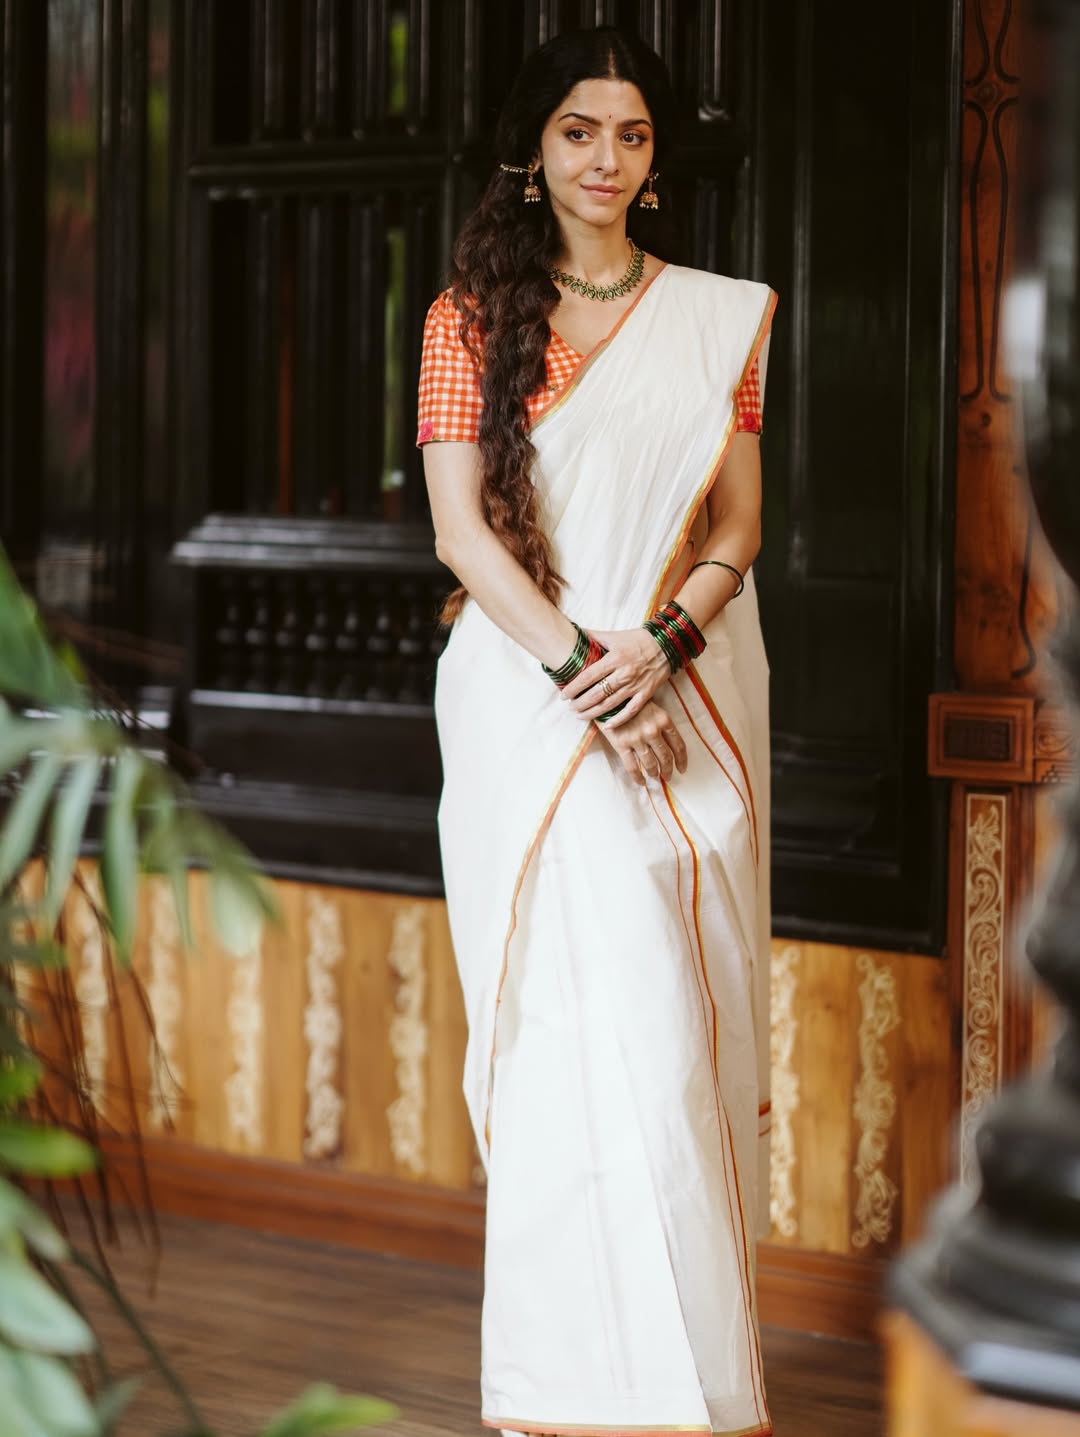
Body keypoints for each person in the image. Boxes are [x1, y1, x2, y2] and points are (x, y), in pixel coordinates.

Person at [417, 26, 776, 1437]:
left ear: (657, 156)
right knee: (560, 1033)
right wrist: (588, 672)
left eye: (631, 133)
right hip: (528, 704)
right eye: (580, 130)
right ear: (535, 144)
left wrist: (660, 649)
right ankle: (560, 1389)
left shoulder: (717, 317)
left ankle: (692, 1387)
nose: (605, 159)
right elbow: (462, 533)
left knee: (671, 1028)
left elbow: (739, 524)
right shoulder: (465, 318)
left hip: (675, 684)